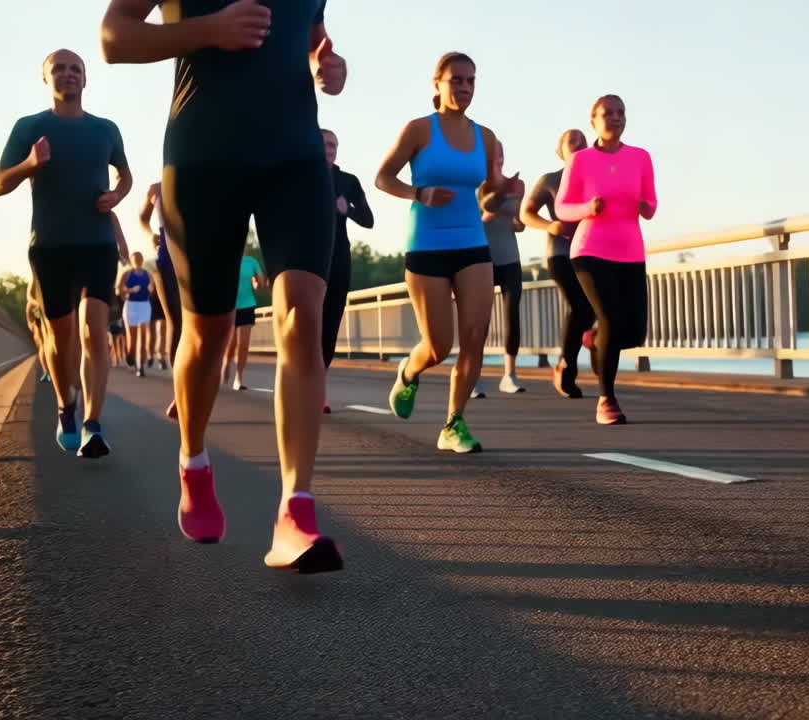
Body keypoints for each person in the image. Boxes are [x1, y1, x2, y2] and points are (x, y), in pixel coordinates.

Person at [102, 0, 349, 573]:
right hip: (203, 156)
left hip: (296, 156)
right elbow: (115, 38)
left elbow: (314, 38)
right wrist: (210, 30)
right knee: (207, 333)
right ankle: (193, 460)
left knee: (302, 317)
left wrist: (328, 68)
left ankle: (296, 510)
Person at [0, 48, 131, 459]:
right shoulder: (30, 127)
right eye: (59, 69)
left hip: (98, 244)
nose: (68, 75)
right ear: (46, 79)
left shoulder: (105, 129)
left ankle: (93, 424)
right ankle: (66, 405)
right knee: (61, 336)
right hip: (50, 246)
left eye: (76, 69)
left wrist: (116, 195)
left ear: (86, 79)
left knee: (94, 330)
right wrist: (30, 164)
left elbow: (125, 174)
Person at [376, 51, 515, 454]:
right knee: (438, 346)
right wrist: (419, 193)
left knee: (475, 339)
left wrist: (504, 187)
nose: (465, 87)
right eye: (456, 80)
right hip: (426, 246)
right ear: (437, 84)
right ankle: (409, 368)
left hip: (472, 243)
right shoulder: (419, 130)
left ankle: (454, 423)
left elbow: (486, 189)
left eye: (471, 80)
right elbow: (383, 177)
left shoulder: (485, 136)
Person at [555, 95, 657, 425]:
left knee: (635, 332)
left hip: (629, 250)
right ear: (593, 120)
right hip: (590, 250)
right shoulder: (581, 160)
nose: (615, 118)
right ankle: (606, 399)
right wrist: (588, 209)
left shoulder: (640, 157)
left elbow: (652, 203)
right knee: (611, 317)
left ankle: (594, 339)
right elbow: (562, 208)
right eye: (607, 113)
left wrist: (645, 207)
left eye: (620, 112)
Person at [522, 129, 593, 399]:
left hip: (591, 252)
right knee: (580, 305)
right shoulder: (550, 180)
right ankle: (567, 366)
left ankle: (590, 337)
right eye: (572, 143)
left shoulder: (595, 178)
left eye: (583, 143)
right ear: (560, 151)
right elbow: (526, 214)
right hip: (561, 254)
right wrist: (549, 225)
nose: (579, 147)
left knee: (596, 307)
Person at [320, 128, 375, 413]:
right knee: (305, 326)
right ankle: (301, 384)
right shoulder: (300, 176)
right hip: (306, 260)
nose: (330, 148)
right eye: (325, 143)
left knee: (329, 325)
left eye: (334, 144)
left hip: (338, 260)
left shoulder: (348, 181)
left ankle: (319, 391)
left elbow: (369, 220)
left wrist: (349, 209)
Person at [475, 140, 527, 397]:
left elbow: (518, 221)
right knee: (479, 321)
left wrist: (519, 222)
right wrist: (494, 203)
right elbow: (479, 219)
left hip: (510, 257)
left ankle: (509, 374)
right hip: (483, 259)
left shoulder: (517, 186)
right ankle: (475, 377)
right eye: (493, 156)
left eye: (501, 155)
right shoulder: (476, 187)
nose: (499, 160)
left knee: (512, 315)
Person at [139, 181, 183, 418]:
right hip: (167, 255)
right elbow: (143, 218)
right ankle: (180, 393)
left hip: (198, 248)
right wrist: (151, 235)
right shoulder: (156, 188)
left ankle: (199, 384)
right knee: (176, 322)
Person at [224, 251, 265, 390]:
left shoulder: (252, 262)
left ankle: (239, 378)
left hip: (247, 305)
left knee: (243, 344)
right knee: (231, 342)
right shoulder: (225, 259)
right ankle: (226, 362)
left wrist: (257, 283)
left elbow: (261, 284)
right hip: (230, 306)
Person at [117, 251, 153, 377]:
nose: (137, 261)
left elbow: (153, 288)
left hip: (144, 305)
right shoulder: (127, 274)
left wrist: (151, 289)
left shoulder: (148, 274)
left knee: (142, 336)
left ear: (142, 260)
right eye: (135, 259)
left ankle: (140, 366)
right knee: (132, 340)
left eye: (139, 258)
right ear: (132, 261)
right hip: (131, 306)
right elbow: (118, 290)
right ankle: (130, 355)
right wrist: (130, 290)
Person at [25, 277, 52, 383]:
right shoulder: (34, 279)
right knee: (43, 344)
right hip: (38, 311)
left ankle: (52, 370)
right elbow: (30, 298)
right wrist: (39, 305)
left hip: (50, 310)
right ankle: (46, 371)